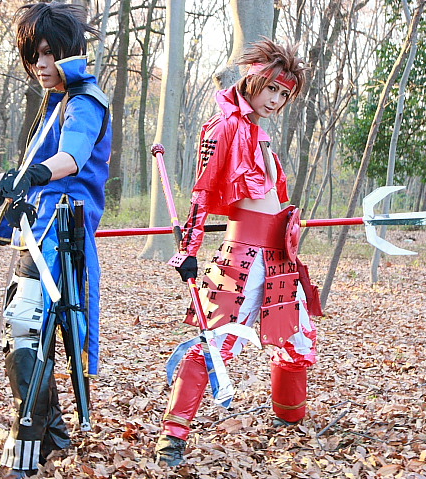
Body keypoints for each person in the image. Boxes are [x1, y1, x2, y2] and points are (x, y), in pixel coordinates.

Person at [155, 39, 322, 467]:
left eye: (284, 94)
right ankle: (173, 435)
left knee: (297, 339)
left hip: (280, 257)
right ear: (253, 80)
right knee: (214, 344)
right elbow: (201, 193)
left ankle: (290, 420)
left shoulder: (260, 135)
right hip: (244, 258)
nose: (276, 99)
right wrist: (188, 250)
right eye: (272, 88)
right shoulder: (224, 127)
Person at [0, 3, 111, 478]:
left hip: (62, 228)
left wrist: (31, 175)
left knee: (28, 326)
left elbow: (72, 157)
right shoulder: (58, 101)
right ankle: (51, 430)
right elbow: (45, 161)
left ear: (71, 51)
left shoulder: (84, 100)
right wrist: (9, 181)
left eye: (51, 53)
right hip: (39, 225)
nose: (41, 64)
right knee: (22, 328)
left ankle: (28, 444)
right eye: (35, 55)